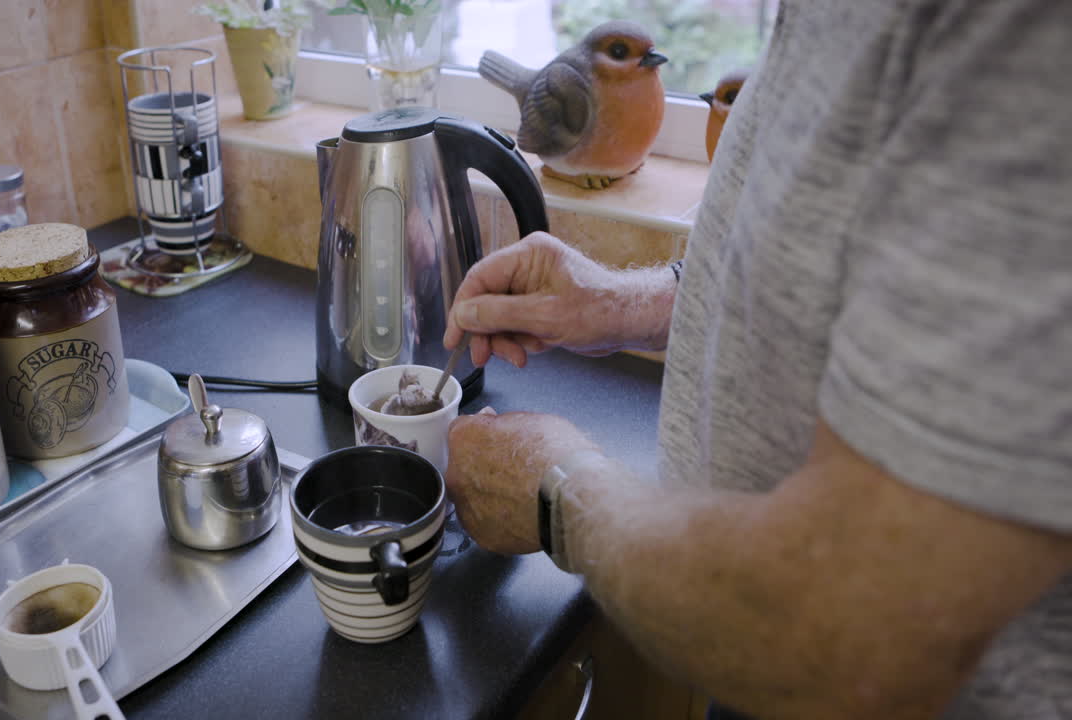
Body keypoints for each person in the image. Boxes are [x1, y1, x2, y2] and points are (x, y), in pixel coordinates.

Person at [441, 1, 1072, 718]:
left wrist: (558, 494)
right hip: (743, 651)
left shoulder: (1025, 38)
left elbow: (852, 636)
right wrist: (627, 302)